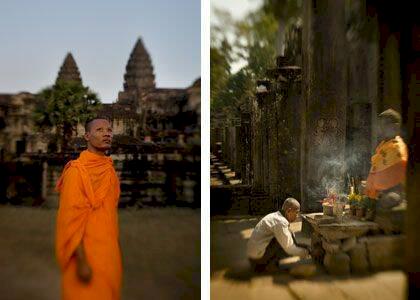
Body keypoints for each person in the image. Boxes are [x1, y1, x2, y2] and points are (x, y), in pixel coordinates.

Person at [55, 118, 122, 300]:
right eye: (100, 130)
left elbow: (109, 214)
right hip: (86, 255)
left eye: (109, 130)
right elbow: (70, 221)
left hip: (108, 251)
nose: (107, 133)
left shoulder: (109, 170)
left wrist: (114, 248)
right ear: (87, 136)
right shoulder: (76, 172)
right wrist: (82, 262)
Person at [247, 198, 309, 272]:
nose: (297, 216)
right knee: (285, 242)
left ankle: (270, 264)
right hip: (257, 259)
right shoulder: (280, 222)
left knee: (289, 234)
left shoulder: (276, 216)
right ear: (288, 211)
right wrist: (307, 252)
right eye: (296, 212)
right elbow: (289, 248)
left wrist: (304, 247)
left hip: (254, 255)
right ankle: (268, 266)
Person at [364, 109, 408, 208]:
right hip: (380, 191)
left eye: (385, 125)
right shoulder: (383, 145)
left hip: (393, 193)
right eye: (380, 125)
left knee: (388, 199)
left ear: (395, 126)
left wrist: (375, 188)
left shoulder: (397, 148)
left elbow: (394, 181)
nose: (381, 129)